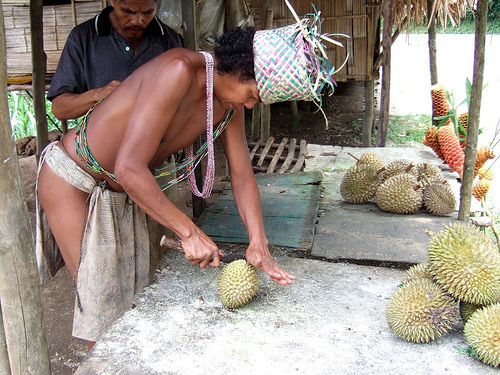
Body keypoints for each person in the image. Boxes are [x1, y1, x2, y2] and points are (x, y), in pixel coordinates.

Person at [36, 1, 339, 349]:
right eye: (253, 94)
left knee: (137, 304)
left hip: (124, 192)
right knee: (103, 310)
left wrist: (259, 241)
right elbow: (129, 167)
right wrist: (189, 231)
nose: (252, 104)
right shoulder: (179, 69)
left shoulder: (229, 107)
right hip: (74, 179)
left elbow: (242, 176)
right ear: (238, 69)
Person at [48, 0, 182, 121]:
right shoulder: (83, 38)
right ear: (112, 1)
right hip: (102, 145)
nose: (137, 21)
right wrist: (98, 95)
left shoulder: (170, 40)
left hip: (161, 146)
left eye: (147, 12)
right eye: (128, 11)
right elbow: (60, 109)